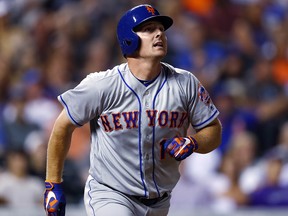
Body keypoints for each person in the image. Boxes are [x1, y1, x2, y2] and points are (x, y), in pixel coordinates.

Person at [44, 4, 222, 216]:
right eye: (148, 29)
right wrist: (53, 184)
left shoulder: (185, 83)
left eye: (161, 29)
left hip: (160, 200)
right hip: (110, 193)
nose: (159, 34)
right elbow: (62, 126)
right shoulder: (102, 85)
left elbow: (213, 130)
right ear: (129, 39)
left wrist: (194, 142)